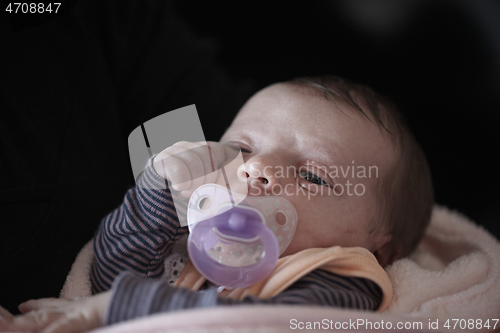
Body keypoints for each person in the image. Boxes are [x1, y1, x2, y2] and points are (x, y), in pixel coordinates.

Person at [0, 76, 433, 333]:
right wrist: (157, 194)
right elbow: (108, 277)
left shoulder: (343, 277)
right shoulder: (203, 243)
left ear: (382, 249)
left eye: (313, 175)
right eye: (242, 147)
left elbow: (252, 324)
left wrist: (111, 310)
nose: (257, 167)